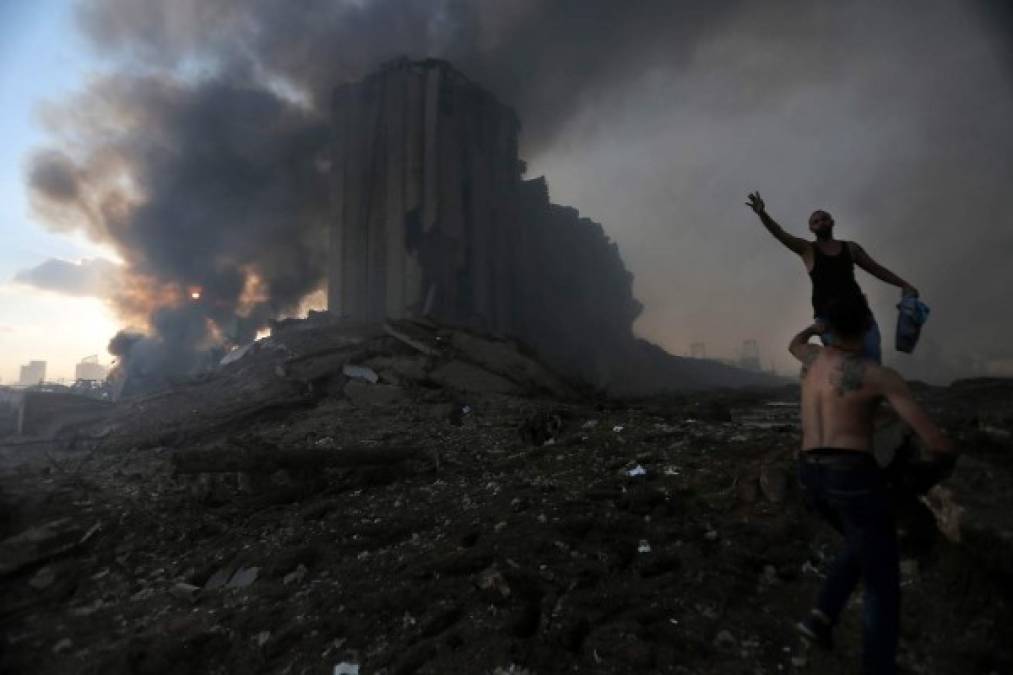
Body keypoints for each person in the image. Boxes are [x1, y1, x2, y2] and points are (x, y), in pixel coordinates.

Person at [788, 295, 957, 674]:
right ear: (867, 327)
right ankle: (877, 666)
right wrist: (947, 455)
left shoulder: (811, 359)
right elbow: (935, 442)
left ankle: (820, 616)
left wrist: (815, 328)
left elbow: (794, 344)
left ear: (830, 328)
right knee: (882, 577)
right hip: (850, 473)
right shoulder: (877, 375)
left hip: (810, 473)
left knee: (863, 539)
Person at [747, 191, 918, 363]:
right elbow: (780, 233)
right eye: (816, 221)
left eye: (824, 219)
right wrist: (762, 214)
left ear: (832, 222)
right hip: (829, 320)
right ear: (811, 229)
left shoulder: (850, 248)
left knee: (872, 364)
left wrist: (904, 284)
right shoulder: (808, 250)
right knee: (843, 368)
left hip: (860, 315)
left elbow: (876, 269)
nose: (821, 222)